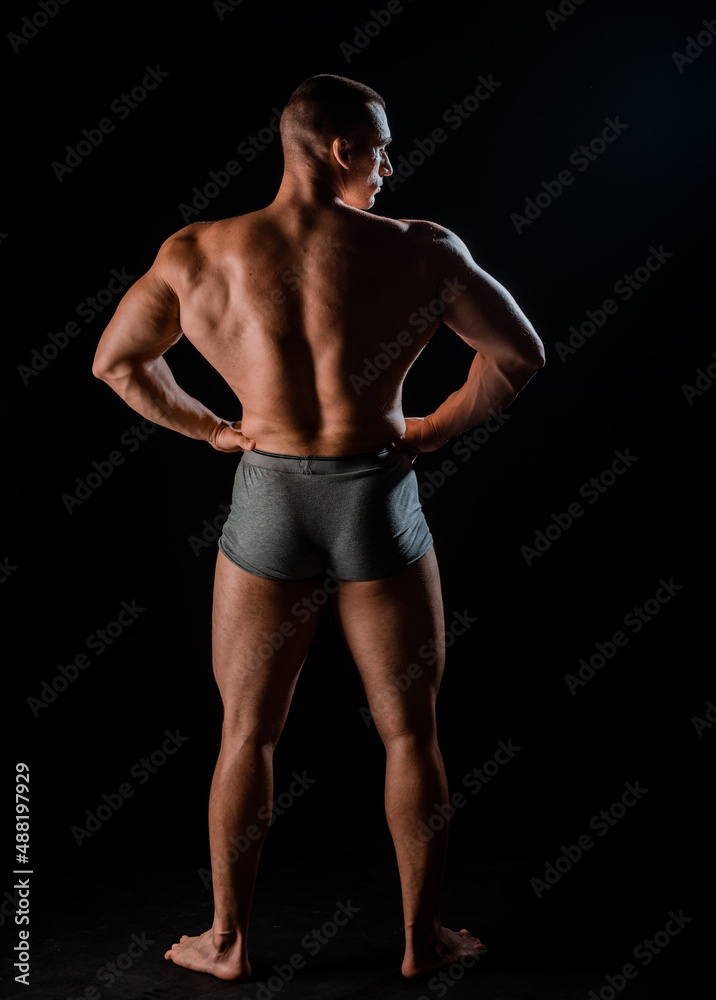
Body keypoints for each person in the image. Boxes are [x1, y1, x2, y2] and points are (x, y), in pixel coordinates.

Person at [92, 73, 545, 982]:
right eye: (379, 147)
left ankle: (228, 944)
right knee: (411, 733)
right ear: (341, 150)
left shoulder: (197, 251)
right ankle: (424, 944)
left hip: (269, 497)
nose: (388, 164)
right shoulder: (422, 249)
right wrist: (430, 430)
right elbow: (518, 356)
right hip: (376, 494)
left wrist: (217, 430)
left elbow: (117, 364)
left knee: (246, 736)